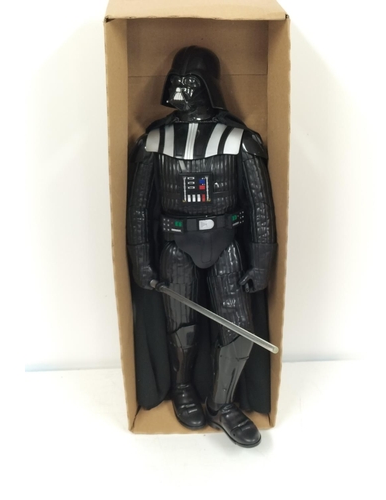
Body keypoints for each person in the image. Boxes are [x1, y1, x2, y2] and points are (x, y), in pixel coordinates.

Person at [126, 46, 276, 447]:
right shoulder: (153, 142)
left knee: (239, 330)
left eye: (189, 82)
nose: (180, 89)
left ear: (207, 86)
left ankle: (221, 404)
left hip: (227, 244)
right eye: (176, 80)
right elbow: (138, 209)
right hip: (175, 245)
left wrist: (261, 261)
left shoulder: (240, 141)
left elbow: (260, 205)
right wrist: (141, 259)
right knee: (181, 328)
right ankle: (182, 387)